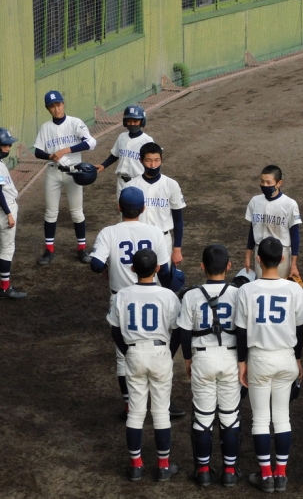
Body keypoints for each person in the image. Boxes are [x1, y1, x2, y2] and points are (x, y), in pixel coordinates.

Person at [90, 187, 183, 417]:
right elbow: (164, 272)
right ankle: (163, 404)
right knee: (159, 349)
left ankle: (129, 404)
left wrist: (107, 267)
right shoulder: (155, 232)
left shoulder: (108, 232)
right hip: (154, 296)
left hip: (121, 299)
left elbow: (95, 265)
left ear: (119, 207)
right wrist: (172, 288)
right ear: (143, 209)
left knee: (124, 357)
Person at [234, 237, 303, 493]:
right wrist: (297, 359)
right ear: (283, 259)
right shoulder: (294, 289)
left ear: (258, 260)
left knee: (260, 419)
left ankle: (266, 475)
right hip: (286, 357)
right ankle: (281, 474)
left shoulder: (246, 290)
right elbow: (300, 330)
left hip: (259, 359)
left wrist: (241, 362)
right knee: (282, 417)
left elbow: (241, 332)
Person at [177, 244, 247, 487]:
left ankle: (204, 471)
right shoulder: (239, 293)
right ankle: (229, 471)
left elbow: (184, 333)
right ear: (229, 266)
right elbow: (243, 332)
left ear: (202, 266)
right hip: (230, 358)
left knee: (202, 418)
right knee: (230, 418)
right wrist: (243, 361)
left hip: (202, 359)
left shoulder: (191, 295)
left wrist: (188, 360)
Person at [108, 248, 181, 482]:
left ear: (132, 269)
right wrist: (169, 354)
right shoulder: (168, 295)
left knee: (136, 413)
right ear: (158, 268)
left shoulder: (122, 295)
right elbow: (178, 331)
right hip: (160, 352)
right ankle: (163, 466)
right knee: (161, 413)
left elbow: (115, 330)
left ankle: (136, 466)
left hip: (134, 352)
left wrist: (127, 351)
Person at [33, 90, 97, 265]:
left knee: (77, 212)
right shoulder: (45, 128)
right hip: (53, 172)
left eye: (58, 105)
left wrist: (65, 150)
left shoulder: (75, 123)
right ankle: (49, 250)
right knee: (50, 212)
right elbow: (37, 151)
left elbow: (91, 142)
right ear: (48, 108)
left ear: (63, 104)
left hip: (73, 172)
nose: (56, 109)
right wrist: (52, 156)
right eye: (52, 106)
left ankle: (82, 248)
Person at [127, 142, 185, 267]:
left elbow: (178, 219)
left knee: (164, 276)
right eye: (148, 160)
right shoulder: (131, 186)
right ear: (141, 160)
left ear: (161, 160)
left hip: (163, 240)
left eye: (157, 160)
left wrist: (177, 249)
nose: (153, 165)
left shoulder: (171, 184)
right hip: (138, 239)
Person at [244, 165, 301, 279]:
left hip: (282, 254)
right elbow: (252, 230)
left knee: (281, 284)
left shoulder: (290, 204)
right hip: (260, 252)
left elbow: (295, 234)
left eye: (268, 182)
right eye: (262, 181)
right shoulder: (255, 201)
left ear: (279, 183)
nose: (264, 185)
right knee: (261, 284)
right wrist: (248, 256)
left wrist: (294, 264)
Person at [96, 105, 154, 197]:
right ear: (125, 121)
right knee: (121, 206)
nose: (132, 124)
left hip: (139, 182)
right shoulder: (122, 137)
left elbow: (152, 163)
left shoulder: (147, 140)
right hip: (121, 182)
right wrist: (103, 165)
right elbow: (115, 154)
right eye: (129, 121)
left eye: (135, 121)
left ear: (142, 121)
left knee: (140, 206)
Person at [0, 128, 26, 299]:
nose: (9, 147)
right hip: (4, 210)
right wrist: (8, 213)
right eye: (5, 145)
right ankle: (4, 288)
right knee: (7, 248)